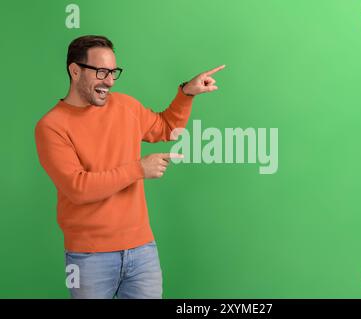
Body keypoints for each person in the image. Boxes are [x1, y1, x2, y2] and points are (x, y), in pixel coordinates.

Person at [34, 35, 224, 299]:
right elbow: (77, 188)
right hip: (88, 258)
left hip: (142, 250)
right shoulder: (52, 126)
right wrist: (138, 169)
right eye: (101, 72)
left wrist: (187, 93)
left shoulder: (125, 106)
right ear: (75, 71)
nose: (109, 81)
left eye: (113, 72)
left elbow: (168, 128)